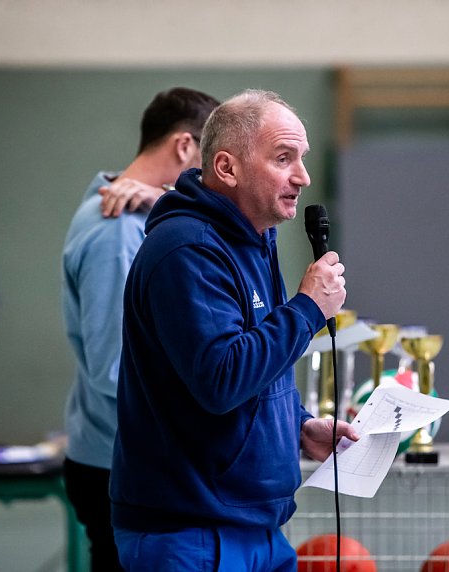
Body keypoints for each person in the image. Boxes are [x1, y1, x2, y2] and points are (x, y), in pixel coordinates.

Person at [110, 89, 359, 571]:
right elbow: (221, 378)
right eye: (283, 158)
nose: (302, 177)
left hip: (255, 527)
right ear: (227, 168)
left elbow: (253, 363)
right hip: (190, 533)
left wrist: (298, 424)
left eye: (301, 159)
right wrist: (307, 309)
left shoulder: (255, 238)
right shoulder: (188, 250)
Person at [61, 87, 220, 571]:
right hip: (122, 464)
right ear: (184, 147)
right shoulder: (117, 229)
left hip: (124, 456)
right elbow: (114, 368)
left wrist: (170, 201)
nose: (216, 179)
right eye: (211, 159)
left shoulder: (140, 212)